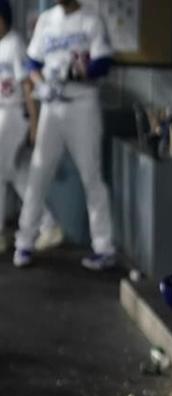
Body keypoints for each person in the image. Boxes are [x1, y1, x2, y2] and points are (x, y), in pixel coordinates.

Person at [12, 0, 114, 270]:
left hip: (83, 104)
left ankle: (104, 247)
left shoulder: (92, 19)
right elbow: (31, 62)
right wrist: (40, 84)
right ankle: (24, 241)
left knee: (92, 176)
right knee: (38, 173)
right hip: (51, 105)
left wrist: (74, 71)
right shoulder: (47, 20)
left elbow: (103, 63)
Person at [0, 0, 63, 254]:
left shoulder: (14, 44)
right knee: (17, 175)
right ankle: (48, 224)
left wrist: (35, 124)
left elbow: (28, 86)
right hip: (3, 112)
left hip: (13, 114)